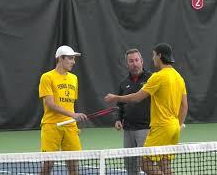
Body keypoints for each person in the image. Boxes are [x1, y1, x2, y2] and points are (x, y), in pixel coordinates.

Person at [105, 43, 188, 175]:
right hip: (173, 127)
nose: (153, 58)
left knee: (145, 164)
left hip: (160, 127)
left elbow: (137, 97)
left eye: (154, 55)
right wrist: (177, 125)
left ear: (159, 56)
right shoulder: (179, 77)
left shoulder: (158, 76)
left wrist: (116, 97)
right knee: (164, 163)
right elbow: (184, 106)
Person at [38, 45, 87, 175]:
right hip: (51, 125)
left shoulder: (74, 78)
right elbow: (50, 104)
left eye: (74, 59)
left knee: (73, 165)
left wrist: (74, 122)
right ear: (60, 58)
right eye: (70, 58)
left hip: (70, 126)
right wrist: (73, 115)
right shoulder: (47, 77)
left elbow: (70, 104)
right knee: (48, 164)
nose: (73, 62)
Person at [115, 49, 151, 175]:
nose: (135, 63)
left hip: (146, 129)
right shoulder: (123, 83)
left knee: (147, 165)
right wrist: (118, 119)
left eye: (137, 60)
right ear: (127, 64)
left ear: (142, 61)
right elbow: (120, 104)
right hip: (128, 130)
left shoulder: (152, 79)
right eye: (131, 61)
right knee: (130, 166)